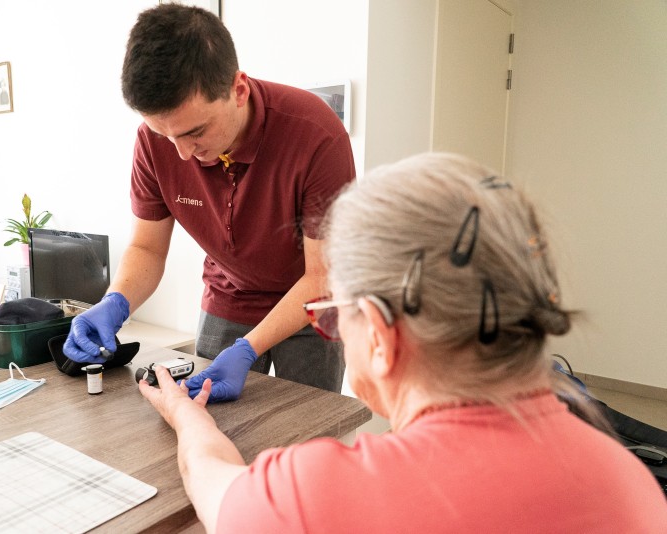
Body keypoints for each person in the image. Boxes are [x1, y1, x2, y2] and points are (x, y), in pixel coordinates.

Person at [139, 153, 667, 533]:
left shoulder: (312, 498)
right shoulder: (630, 481)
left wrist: (188, 417)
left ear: (382, 335)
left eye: (334, 317)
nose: (334, 330)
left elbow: (209, 481)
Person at [63, 4, 355, 402]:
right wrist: (116, 300)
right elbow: (147, 247)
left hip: (308, 302)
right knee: (206, 420)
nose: (182, 154)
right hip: (228, 295)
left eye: (194, 132)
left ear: (238, 89)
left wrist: (249, 348)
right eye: (165, 136)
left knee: (308, 435)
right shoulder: (154, 142)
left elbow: (322, 277)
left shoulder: (316, 136)